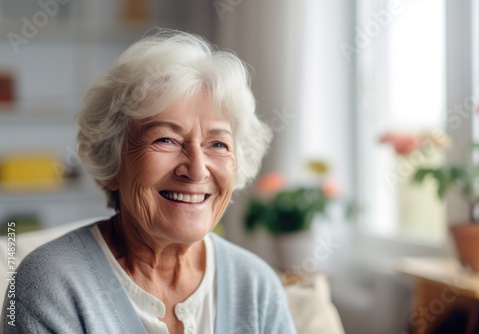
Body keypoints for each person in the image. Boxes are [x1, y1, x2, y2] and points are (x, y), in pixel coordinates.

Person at [2, 30, 297, 334]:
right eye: (166, 139)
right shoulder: (51, 285)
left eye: (218, 144)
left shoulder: (257, 285)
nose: (196, 170)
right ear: (112, 160)